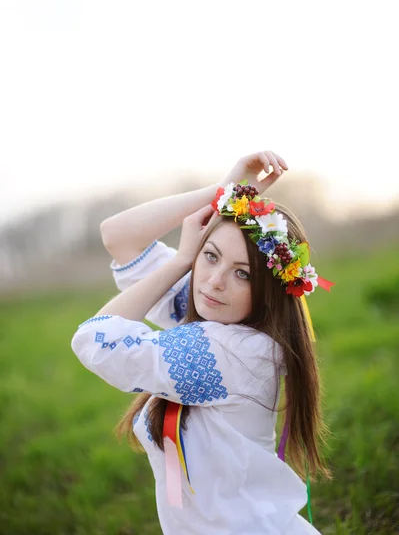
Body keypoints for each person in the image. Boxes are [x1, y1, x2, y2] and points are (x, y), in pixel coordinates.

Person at [71, 150, 333, 535]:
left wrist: (181, 263)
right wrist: (227, 191)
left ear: (267, 292)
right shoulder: (224, 317)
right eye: (210, 256)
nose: (213, 281)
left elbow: (94, 339)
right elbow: (118, 236)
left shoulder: (228, 350)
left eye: (242, 273)